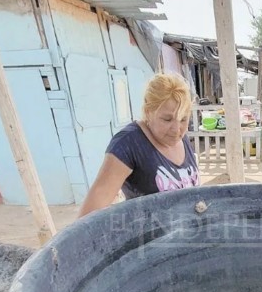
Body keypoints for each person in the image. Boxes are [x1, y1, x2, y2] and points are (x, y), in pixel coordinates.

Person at [78, 73, 200, 218]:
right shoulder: (128, 144)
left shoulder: (180, 137)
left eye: (183, 119)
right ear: (148, 112)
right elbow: (90, 213)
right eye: (167, 119)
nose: (176, 129)